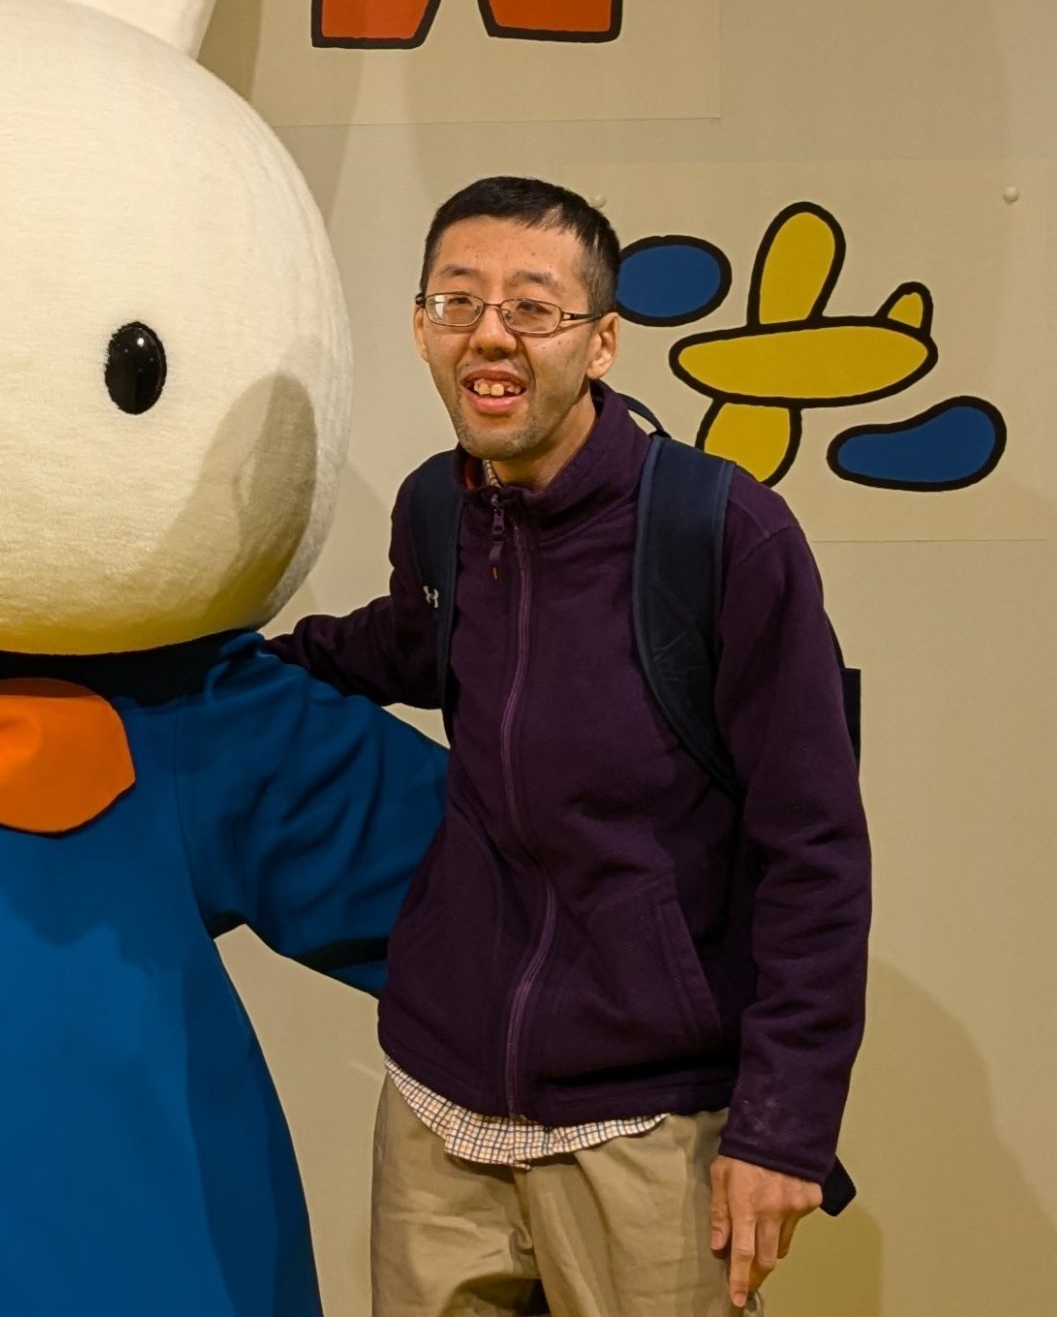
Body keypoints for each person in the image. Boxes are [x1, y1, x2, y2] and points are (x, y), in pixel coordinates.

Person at [270, 176, 868, 1315]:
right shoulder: (438, 509)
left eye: (533, 307)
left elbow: (815, 846)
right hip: (441, 1099)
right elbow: (410, 646)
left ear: (599, 344)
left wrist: (783, 1126)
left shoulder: (721, 532)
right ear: (421, 328)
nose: (490, 333)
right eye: (457, 300)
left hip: (650, 1119)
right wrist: (217, 672)